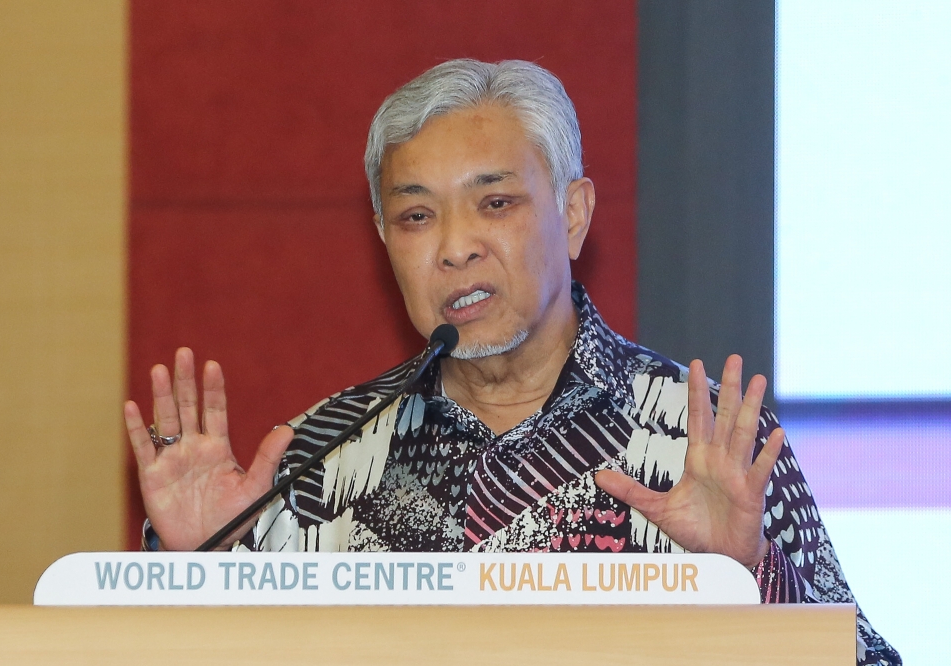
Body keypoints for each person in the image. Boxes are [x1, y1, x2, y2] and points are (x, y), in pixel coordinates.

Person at [124, 59, 899, 665]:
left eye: (495, 203)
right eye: (417, 216)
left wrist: (753, 573)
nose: (455, 247)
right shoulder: (322, 453)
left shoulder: (701, 437)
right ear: (385, 239)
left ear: (573, 214)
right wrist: (199, 571)